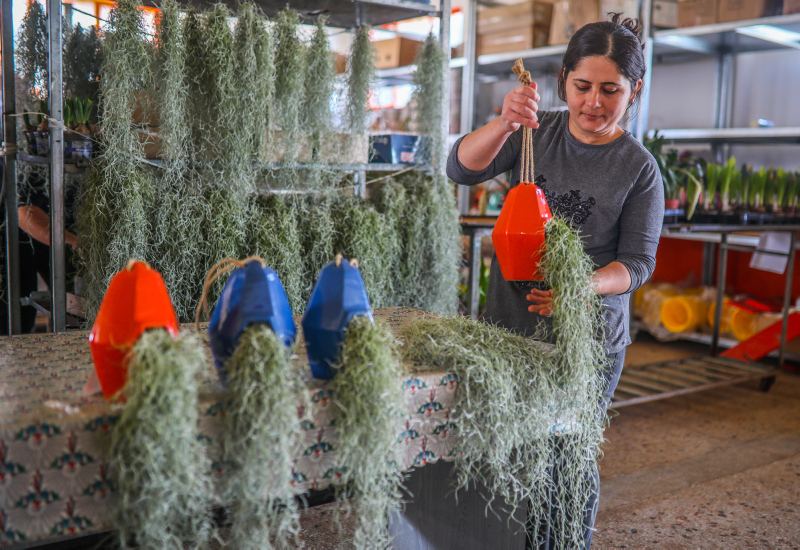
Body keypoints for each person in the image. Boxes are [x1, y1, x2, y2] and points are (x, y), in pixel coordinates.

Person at [446, 13, 664, 549]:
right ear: (564, 80)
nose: (594, 102)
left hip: (584, 343)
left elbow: (637, 265)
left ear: (633, 91)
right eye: (583, 86)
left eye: (610, 90)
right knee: (513, 448)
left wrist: (579, 286)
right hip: (511, 326)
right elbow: (460, 168)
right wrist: (504, 122)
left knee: (567, 457)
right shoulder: (532, 136)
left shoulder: (638, 169)